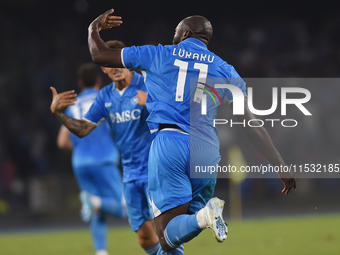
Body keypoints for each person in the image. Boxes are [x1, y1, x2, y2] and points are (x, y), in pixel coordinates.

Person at [87, 9, 298, 255]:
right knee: (180, 231)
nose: (173, 35)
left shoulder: (158, 53)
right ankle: (205, 216)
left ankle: (205, 216)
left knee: (165, 236)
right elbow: (253, 127)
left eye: (176, 31)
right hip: (207, 150)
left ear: (185, 33)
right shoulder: (226, 70)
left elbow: (99, 54)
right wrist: (280, 164)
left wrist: (93, 28)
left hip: (170, 143)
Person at [50, 40, 160, 255]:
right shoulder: (105, 96)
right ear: (103, 68)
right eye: (110, 63)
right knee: (145, 238)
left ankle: (201, 219)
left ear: (128, 61)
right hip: (130, 173)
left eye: (119, 61)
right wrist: (60, 114)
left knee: (165, 228)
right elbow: (82, 129)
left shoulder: (149, 85)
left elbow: (180, 111)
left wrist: (154, 104)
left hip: (155, 169)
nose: (116, 67)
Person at [56, 63, 125, 255]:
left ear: (80, 83)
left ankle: (100, 251)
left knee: (97, 209)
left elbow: (62, 142)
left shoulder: (72, 106)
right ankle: (92, 201)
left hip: (80, 163)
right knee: (121, 209)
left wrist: (79, 147)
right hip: (103, 160)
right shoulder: (104, 99)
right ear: (99, 81)